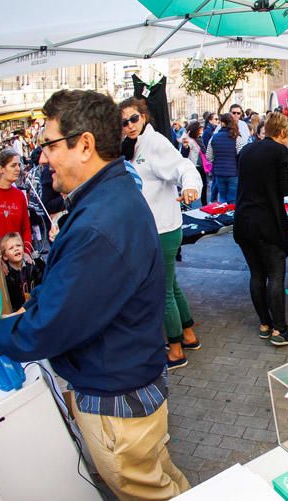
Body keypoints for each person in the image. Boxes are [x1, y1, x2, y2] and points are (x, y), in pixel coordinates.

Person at [0, 89, 190, 499]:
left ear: (85, 144)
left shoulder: (100, 221)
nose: (43, 158)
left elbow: (57, 321)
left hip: (116, 401)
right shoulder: (111, 198)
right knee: (168, 484)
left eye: (50, 145)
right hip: (132, 383)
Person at [120, 97, 202, 370]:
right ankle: (188, 336)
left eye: (133, 119)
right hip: (155, 228)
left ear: (144, 116)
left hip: (163, 229)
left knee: (162, 291)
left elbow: (184, 167)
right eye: (124, 122)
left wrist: (191, 186)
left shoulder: (155, 143)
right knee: (172, 286)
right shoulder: (134, 145)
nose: (130, 125)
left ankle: (176, 351)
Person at [235, 112, 288, 346]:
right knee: (276, 276)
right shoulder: (280, 151)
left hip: (243, 221)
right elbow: (284, 188)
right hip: (267, 223)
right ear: (282, 131)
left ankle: (265, 323)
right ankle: (281, 330)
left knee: (257, 274)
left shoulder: (247, 150)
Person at [0, 231, 42, 311]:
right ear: (5, 256)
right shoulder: (7, 276)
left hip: (36, 306)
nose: (16, 249)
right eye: (11, 248)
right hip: (18, 311)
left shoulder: (33, 266)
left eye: (18, 245)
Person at [208, 112, 240, 203]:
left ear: (222, 123)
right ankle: (232, 216)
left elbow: (208, 156)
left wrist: (217, 161)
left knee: (222, 198)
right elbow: (241, 155)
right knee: (233, 199)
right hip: (233, 173)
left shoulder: (214, 137)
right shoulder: (236, 137)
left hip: (219, 172)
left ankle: (223, 216)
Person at [183, 120, 208, 206]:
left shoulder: (198, 139)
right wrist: (185, 146)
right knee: (194, 186)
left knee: (204, 186)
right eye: (200, 129)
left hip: (201, 167)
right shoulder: (190, 140)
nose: (201, 130)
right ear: (195, 130)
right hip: (194, 167)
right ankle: (189, 205)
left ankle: (204, 204)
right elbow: (184, 151)